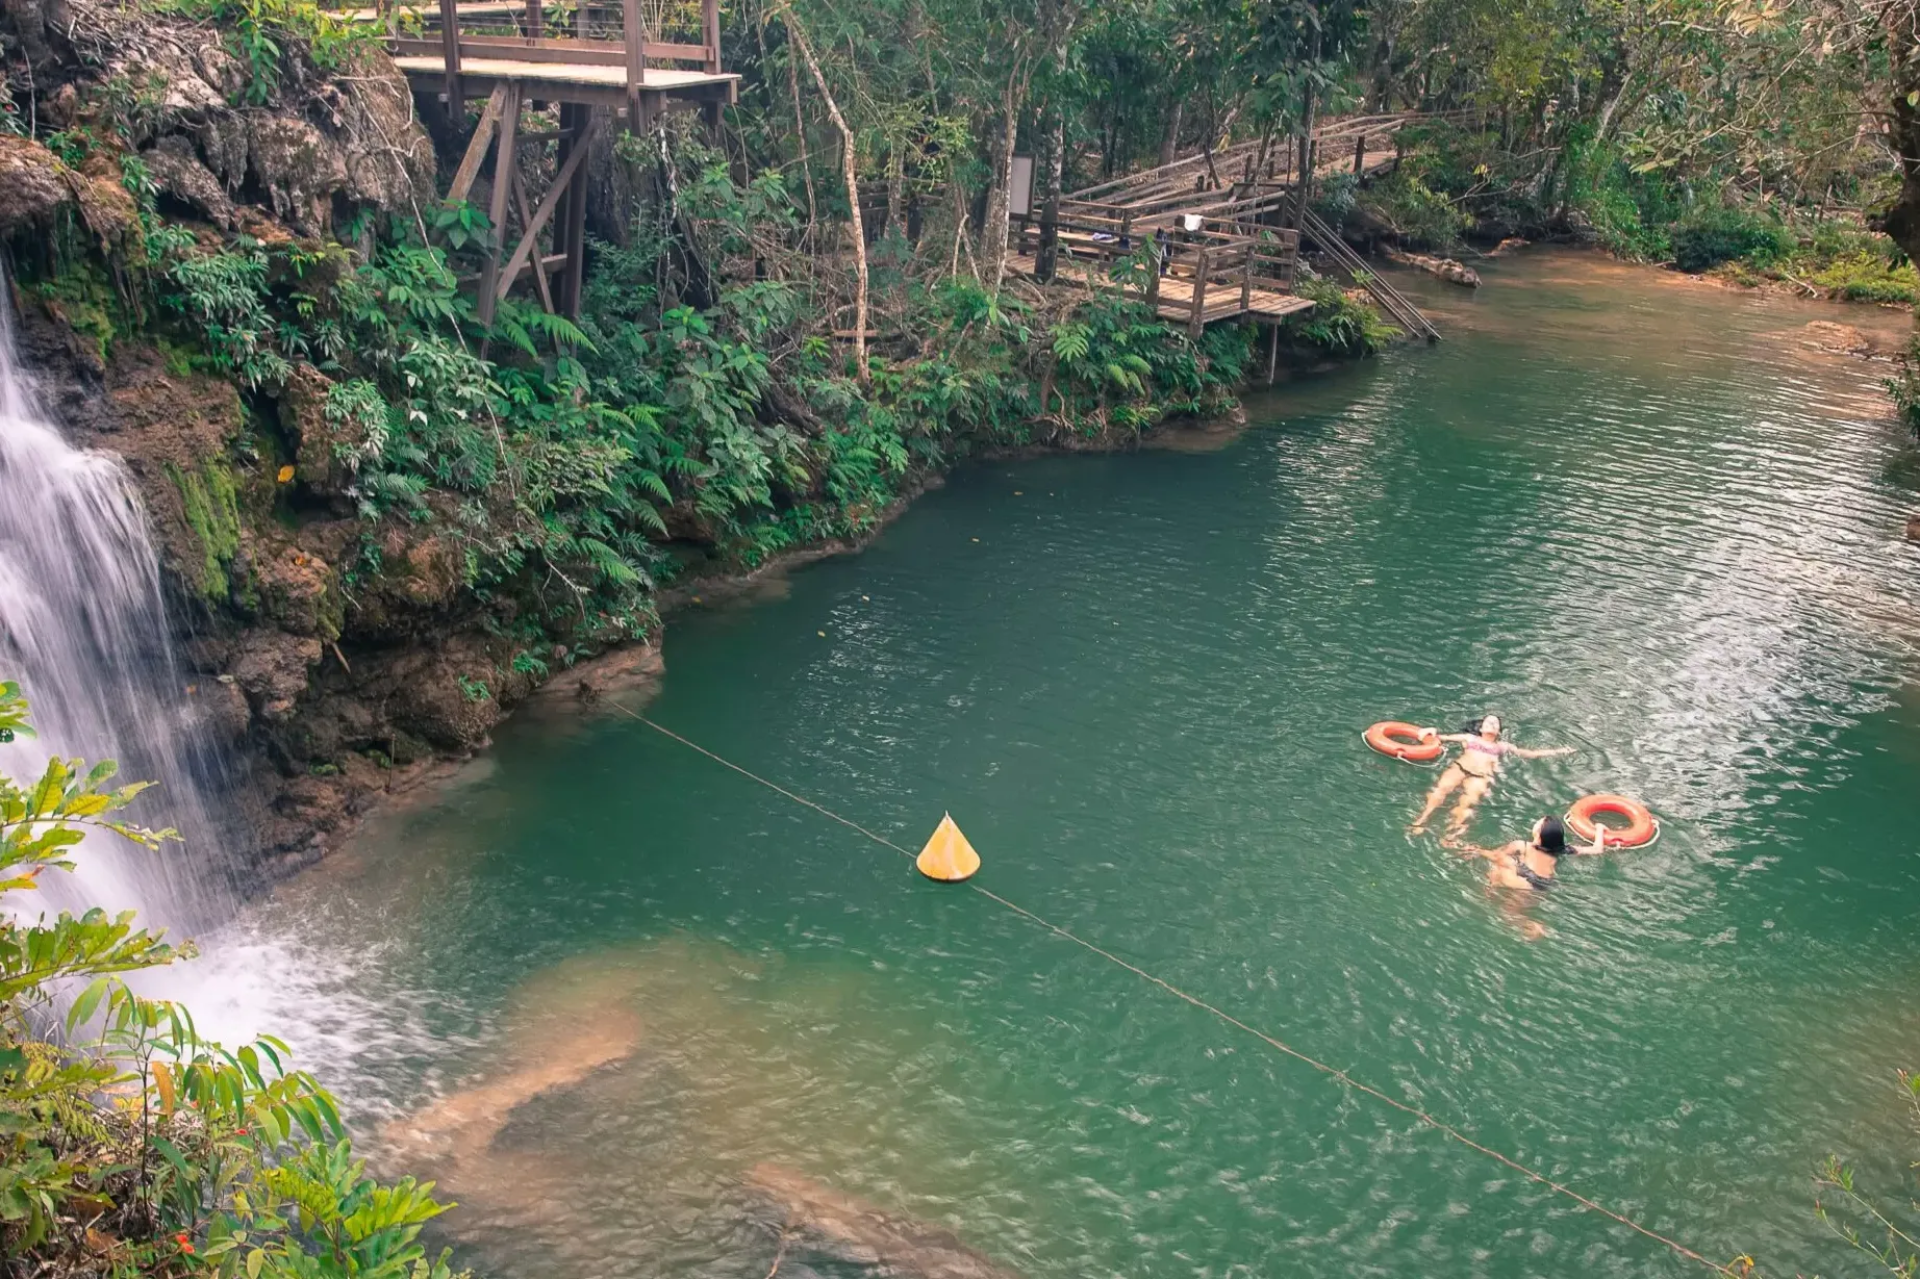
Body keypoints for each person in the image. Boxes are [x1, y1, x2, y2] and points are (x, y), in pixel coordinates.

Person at [1406, 714, 1573, 839]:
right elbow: (1441, 738)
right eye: (1488, 722)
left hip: (1481, 776)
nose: (1491, 724)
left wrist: (1558, 751)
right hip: (1460, 768)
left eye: (1495, 723)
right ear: (1481, 728)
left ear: (1498, 731)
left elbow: (1530, 753)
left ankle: (1451, 835)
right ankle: (1421, 820)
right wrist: (1430, 730)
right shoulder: (1469, 738)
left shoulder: (1502, 746)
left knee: (1466, 804)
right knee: (1440, 791)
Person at [1456, 816, 1605, 940]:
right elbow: (1597, 849)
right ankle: (1526, 920)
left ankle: (1493, 892)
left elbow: (1496, 855)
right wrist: (1599, 829)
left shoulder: (1522, 845)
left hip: (1525, 879)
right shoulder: (1564, 849)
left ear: (1538, 835)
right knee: (1509, 911)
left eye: (1539, 823)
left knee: (1500, 865)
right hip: (1544, 885)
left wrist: (1478, 850)